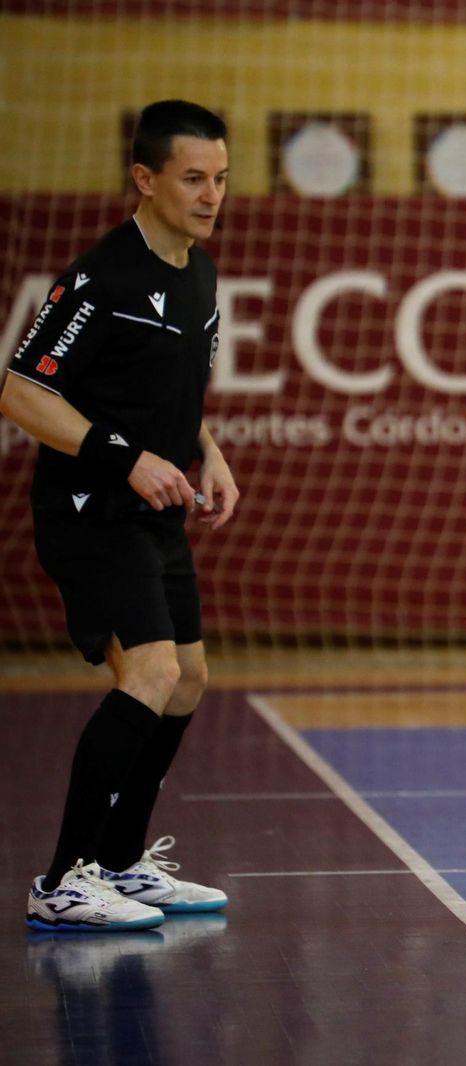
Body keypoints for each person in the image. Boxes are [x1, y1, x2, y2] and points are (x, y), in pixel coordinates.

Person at [4, 100, 239, 931]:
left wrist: (203, 448)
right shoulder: (99, 279)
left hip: (155, 508)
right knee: (152, 673)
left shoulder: (199, 271)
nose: (211, 194)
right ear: (144, 179)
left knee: (190, 681)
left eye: (219, 178)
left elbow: (164, 390)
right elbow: (22, 392)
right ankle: (62, 880)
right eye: (192, 179)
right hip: (90, 509)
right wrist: (127, 458)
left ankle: (121, 861)